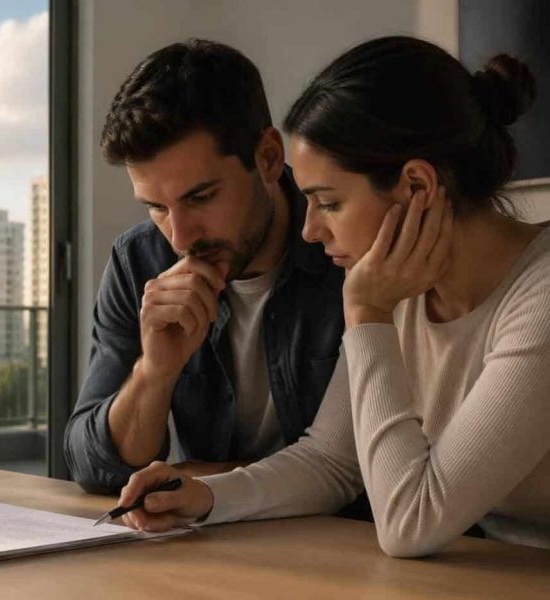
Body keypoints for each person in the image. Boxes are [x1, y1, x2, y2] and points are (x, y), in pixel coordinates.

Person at [116, 35, 550, 557]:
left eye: (328, 203)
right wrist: (206, 496)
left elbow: (412, 521)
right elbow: (331, 460)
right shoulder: (403, 286)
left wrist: (367, 313)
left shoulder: (533, 297)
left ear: (416, 186)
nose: (310, 230)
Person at [63, 39, 355, 504]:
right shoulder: (139, 260)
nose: (179, 238)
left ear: (268, 157)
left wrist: (218, 481)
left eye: (200, 198)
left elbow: (360, 471)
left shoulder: (347, 246)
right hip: (209, 536)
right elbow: (92, 466)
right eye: (157, 207)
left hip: (337, 539)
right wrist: (155, 372)